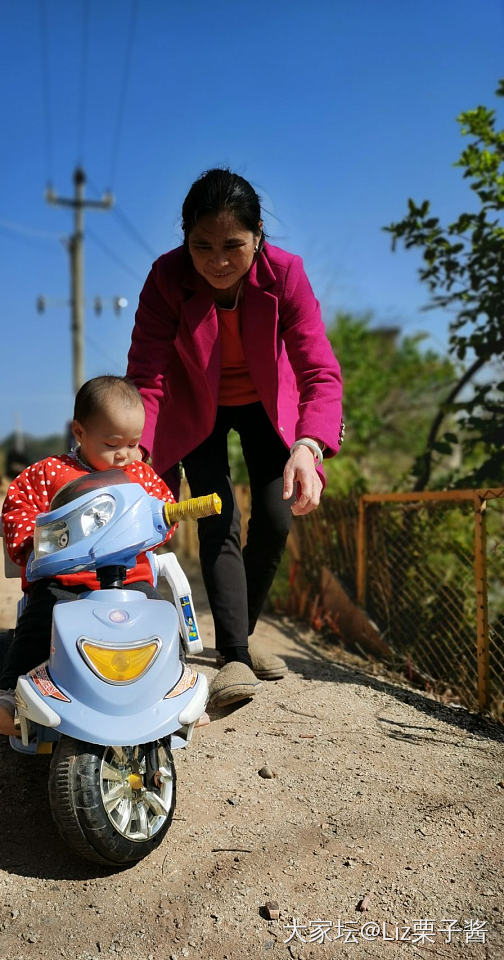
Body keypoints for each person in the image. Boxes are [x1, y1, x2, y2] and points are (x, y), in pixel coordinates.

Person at [126, 168, 343, 710]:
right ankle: (236, 655)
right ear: (184, 238)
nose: (218, 261)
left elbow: (319, 371)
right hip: (193, 406)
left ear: (258, 235)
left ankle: (234, 638)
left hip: (269, 408)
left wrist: (309, 444)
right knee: (220, 515)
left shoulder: (287, 274)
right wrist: (139, 456)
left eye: (233, 246)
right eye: (202, 246)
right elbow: (147, 377)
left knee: (275, 517)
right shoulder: (165, 279)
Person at [0, 375, 178, 738]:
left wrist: (164, 517)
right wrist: (28, 542)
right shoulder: (49, 473)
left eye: (133, 443)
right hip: (67, 579)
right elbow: (19, 507)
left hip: (129, 578)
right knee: (40, 622)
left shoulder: (140, 475)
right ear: (80, 432)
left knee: (160, 619)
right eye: (113, 443)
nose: (125, 454)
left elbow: (164, 509)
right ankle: (10, 695)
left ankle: (172, 691)